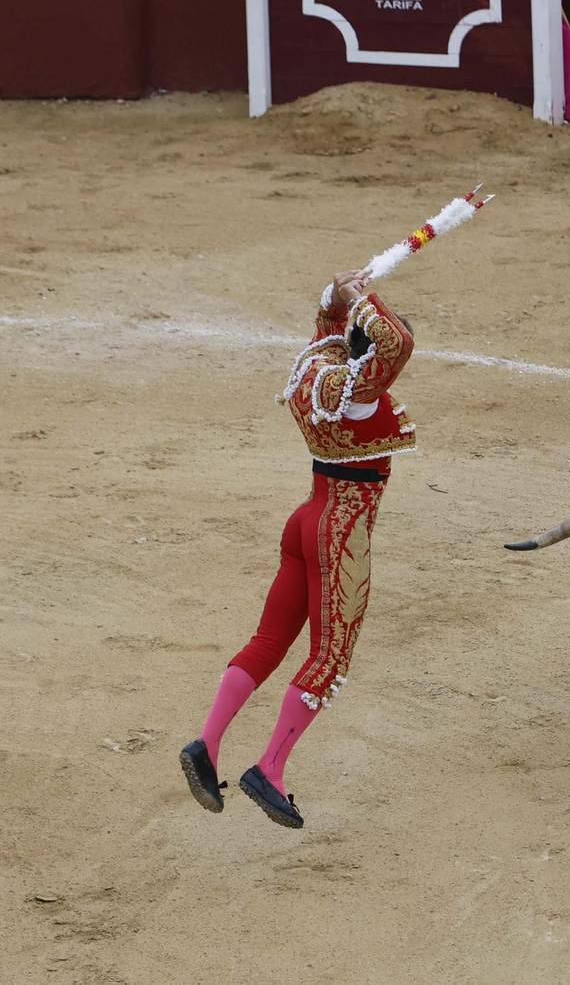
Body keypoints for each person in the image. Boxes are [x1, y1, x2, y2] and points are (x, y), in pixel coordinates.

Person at [179, 268, 416, 828]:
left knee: (268, 640)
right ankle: (271, 770)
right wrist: (359, 298)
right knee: (329, 658)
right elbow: (397, 343)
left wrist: (339, 295)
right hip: (341, 531)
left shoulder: (318, 370)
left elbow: (336, 324)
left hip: (305, 519)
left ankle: (207, 745)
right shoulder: (357, 393)